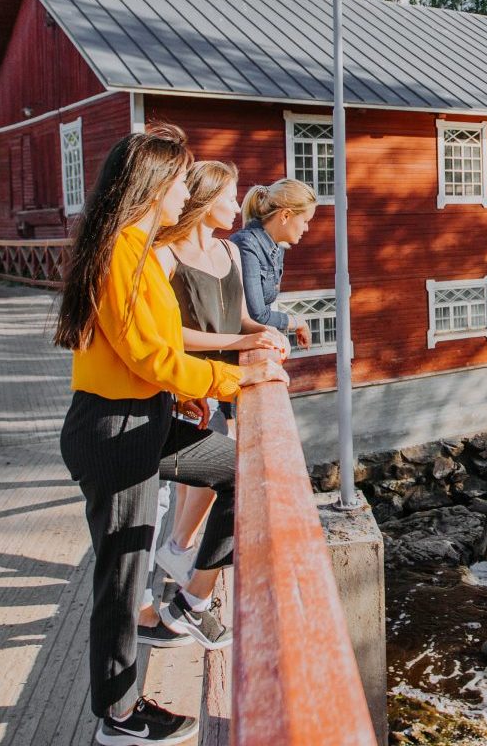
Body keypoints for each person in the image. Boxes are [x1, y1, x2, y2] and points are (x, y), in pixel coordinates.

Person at [54, 124, 286, 746]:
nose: (187, 190)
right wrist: (238, 380)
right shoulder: (122, 251)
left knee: (241, 472)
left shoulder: (134, 244)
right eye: (182, 180)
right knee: (120, 576)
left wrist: (209, 379)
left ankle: (187, 599)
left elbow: (157, 353)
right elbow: (153, 357)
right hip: (114, 429)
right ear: (154, 183)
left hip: (145, 418)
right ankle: (120, 716)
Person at [151, 159, 282, 587]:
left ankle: (178, 552)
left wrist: (266, 334)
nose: (236, 205)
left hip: (227, 379)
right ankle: (178, 555)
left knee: (207, 476)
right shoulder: (165, 255)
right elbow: (169, 335)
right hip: (187, 381)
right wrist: (242, 343)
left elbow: (243, 318)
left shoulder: (229, 250)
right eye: (228, 196)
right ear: (205, 200)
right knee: (214, 469)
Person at [230, 178, 320, 350]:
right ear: (285, 215)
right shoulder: (246, 244)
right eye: (305, 221)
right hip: (234, 349)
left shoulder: (277, 247)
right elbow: (257, 315)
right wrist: (297, 321)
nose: (306, 229)